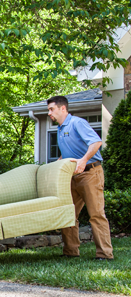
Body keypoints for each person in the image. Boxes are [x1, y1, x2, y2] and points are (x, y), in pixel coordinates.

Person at [47, 95, 113, 260]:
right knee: (68, 213)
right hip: (71, 177)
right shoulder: (60, 128)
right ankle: (71, 252)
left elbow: (96, 142)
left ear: (63, 108)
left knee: (96, 214)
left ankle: (105, 254)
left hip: (90, 174)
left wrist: (83, 160)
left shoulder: (77, 123)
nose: (49, 113)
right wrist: (55, 165)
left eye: (51, 109)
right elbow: (67, 154)